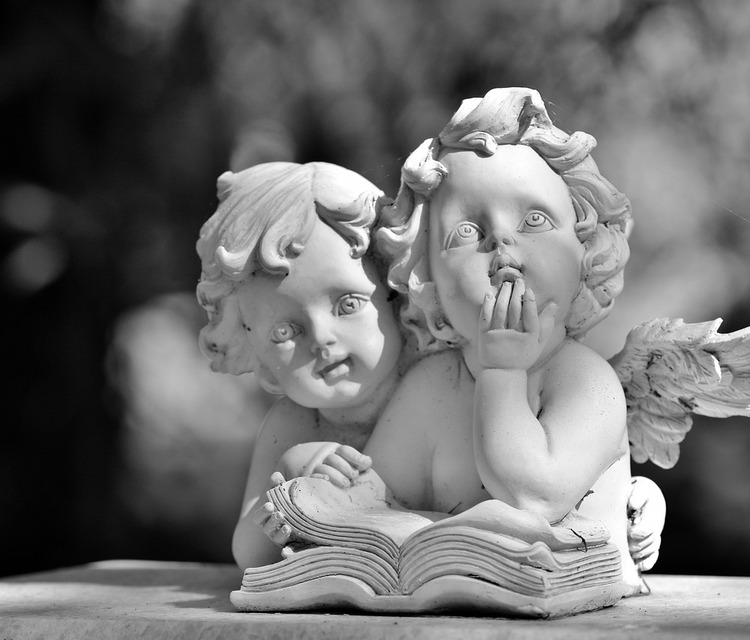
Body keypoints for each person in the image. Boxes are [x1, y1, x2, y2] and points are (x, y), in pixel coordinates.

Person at [361, 87, 656, 594]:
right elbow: (377, 496)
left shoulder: (586, 381)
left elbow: (533, 498)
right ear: (427, 281)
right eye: (465, 232)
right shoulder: (434, 384)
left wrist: (502, 372)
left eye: (534, 220)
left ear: (585, 250)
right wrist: (322, 482)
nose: (501, 243)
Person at [196, 162, 405, 570]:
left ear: (394, 294)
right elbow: (248, 554)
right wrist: (291, 481)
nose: (322, 338)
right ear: (254, 349)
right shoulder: (293, 424)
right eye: (284, 331)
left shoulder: (438, 387)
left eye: (348, 304)